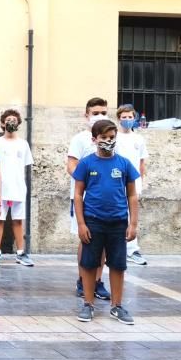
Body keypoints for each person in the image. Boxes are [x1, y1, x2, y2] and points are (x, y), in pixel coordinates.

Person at [73, 119, 139, 325]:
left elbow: (132, 195)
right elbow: (77, 194)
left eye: (111, 138)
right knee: (89, 263)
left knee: (118, 265)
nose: (108, 141)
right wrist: (82, 224)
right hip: (93, 221)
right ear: (94, 139)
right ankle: (88, 304)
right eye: (103, 138)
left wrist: (133, 223)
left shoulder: (124, 164)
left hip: (118, 222)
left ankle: (117, 306)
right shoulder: (86, 164)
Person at [68, 97, 111, 300]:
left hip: (105, 200)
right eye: (95, 113)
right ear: (87, 115)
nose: (99, 116)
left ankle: (98, 280)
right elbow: (71, 166)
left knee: (103, 242)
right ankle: (82, 279)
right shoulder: (80, 139)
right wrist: (88, 181)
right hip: (84, 197)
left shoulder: (111, 138)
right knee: (86, 239)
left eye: (103, 112)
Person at [0, 108, 34, 268]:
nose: (11, 122)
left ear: (18, 123)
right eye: (8, 119)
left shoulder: (23, 144)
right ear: (3, 123)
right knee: (0, 220)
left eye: (14, 120)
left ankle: (21, 253)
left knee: (18, 220)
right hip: (1, 189)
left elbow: (25, 165)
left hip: (18, 188)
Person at [115, 104, 148, 266]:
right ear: (119, 118)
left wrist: (140, 180)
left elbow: (142, 163)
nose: (127, 120)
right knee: (119, 214)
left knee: (132, 214)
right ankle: (117, 248)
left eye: (130, 117)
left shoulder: (138, 139)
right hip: (117, 180)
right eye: (124, 117)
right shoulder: (115, 137)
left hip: (134, 182)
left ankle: (132, 249)